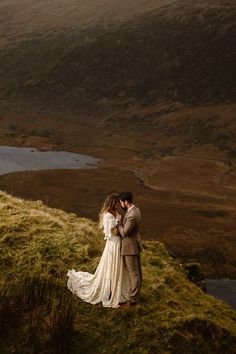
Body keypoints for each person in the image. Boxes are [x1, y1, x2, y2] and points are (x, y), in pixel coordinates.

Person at [67, 194, 130, 308]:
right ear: (112, 203)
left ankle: (115, 287)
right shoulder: (108, 216)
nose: (118, 205)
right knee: (112, 266)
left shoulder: (113, 213)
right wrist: (120, 224)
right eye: (116, 203)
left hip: (118, 243)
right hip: (114, 244)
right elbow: (114, 232)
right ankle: (109, 289)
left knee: (116, 266)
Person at [117, 192, 142, 306]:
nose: (121, 204)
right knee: (137, 272)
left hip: (130, 247)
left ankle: (133, 299)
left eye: (121, 202)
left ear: (126, 202)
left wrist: (118, 223)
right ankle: (135, 295)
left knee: (134, 273)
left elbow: (125, 233)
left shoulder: (131, 215)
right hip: (135, 245)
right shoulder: (136, 210)